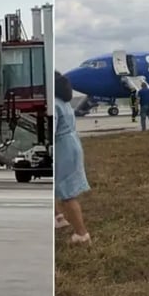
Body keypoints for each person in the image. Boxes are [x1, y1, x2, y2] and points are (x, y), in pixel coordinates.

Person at [54, 71, 91, 245]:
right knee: (55, 184)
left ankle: (81, 234)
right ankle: (58, 217)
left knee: (67, 193)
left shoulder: (53, 104)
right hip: (71, 142)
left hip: (62, 147)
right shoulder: (64, 102)